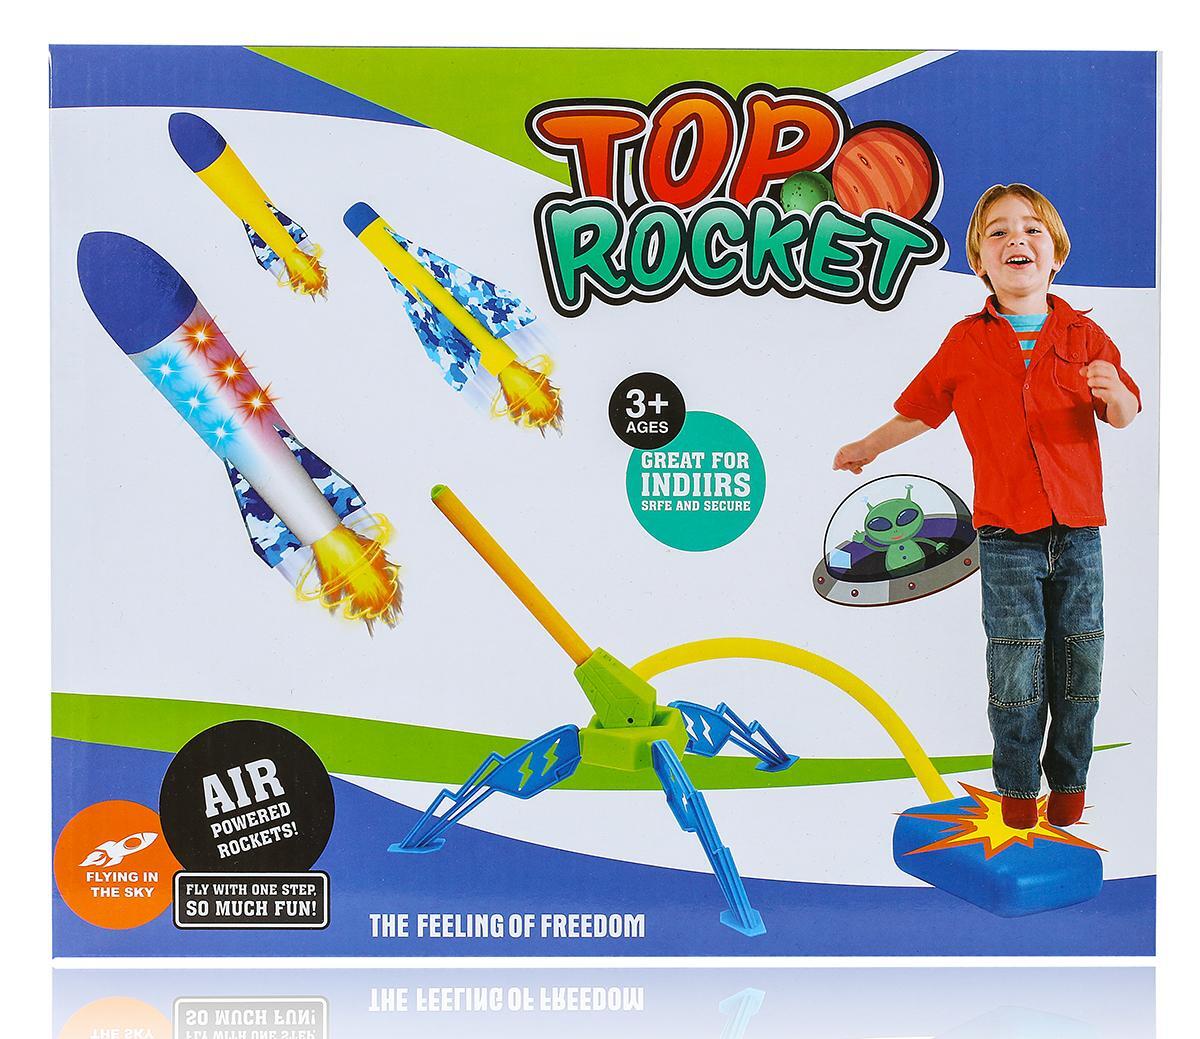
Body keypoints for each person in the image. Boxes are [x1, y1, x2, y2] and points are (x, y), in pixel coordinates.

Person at [832, 184, 1140, 830]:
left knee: (1081, 660)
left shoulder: (1085, 335)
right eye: (997, 232)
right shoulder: (966, 341)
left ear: (1056, 255)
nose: (1015, 239)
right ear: (978, 261)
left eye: (1031, 229)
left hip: (1078, 531)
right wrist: (867, 446)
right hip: (1005, 534)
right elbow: (921, 410)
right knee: (1016, 664)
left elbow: (1123, 412)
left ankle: (1071, 786)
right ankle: (1019, 794)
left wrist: (1115, 393)